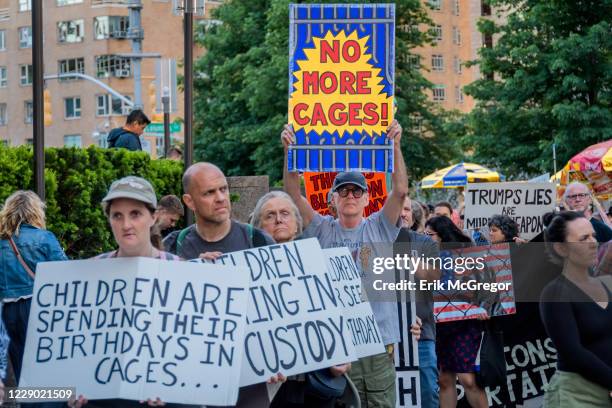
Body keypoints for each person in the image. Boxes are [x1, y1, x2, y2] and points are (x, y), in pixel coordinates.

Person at [282, 120, 408, 407]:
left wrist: (396, 145)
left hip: (377, 346)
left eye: (356, 191)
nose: (349, 196)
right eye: (343, 191)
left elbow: (400, 191)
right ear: (333, 199)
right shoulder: (322, 229)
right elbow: (292, 195)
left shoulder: (380, 226)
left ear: (366, 198)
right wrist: (290, 152)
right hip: (336, 344)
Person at [165, 162, 279, 408]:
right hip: (189, 383)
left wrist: (280, 356)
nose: (220, 198)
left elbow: (281, 307)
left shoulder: (258, 241)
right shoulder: (173, 247)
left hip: (249, 383)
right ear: (190, 201)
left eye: (223, 189)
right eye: (209, 193)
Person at [69, 176, 185, 408]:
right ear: (109, 220)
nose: (126, 225)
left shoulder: (181, 271)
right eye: (117, 216)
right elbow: (73, 344)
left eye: (135, 214)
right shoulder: (89, 272)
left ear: (153, 216)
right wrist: (69, 389)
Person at [540, 211, 612, 406]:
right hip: (577, 395)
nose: (593, 243)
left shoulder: (607, 284)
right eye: (583, 238)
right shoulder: (555, 293)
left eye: (593, 236)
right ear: (561, 248)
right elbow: (573, 352)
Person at [0, 191, 68, 388]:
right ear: (35, 212)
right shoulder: (44, 238)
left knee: (21, 368)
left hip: (6, 311)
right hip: (37, 307)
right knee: (45, 364)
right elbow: (65, 272)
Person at [424, 216, 489, 408]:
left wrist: (483, 306)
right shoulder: (425, 258)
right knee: (444, 379)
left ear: (443, 235)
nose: (426, 239)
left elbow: (485, 285)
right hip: (438, 326)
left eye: (430, 235)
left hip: (465, 324)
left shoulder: (467, 254)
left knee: (468, 378)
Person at [396, 196, 440, 408]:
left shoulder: (425, 243)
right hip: (386, 337)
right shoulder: (372, 243)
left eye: (406, 209)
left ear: (412, 216)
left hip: (421, 333)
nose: (402, 213)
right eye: (398, 208)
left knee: (428, 392)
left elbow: (434, 277)